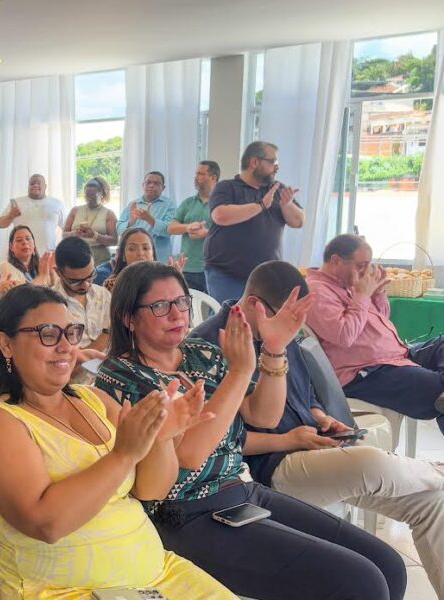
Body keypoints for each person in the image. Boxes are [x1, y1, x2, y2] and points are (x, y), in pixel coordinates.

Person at [94, 261, 405, 600]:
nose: (177, 314)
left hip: (240, 491)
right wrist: (240, 373)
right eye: (160, 306)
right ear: (128, 317)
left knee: (388, 564)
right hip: (185, 513)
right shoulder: (121, 377)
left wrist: (274, 349)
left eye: (182, 302)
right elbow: (189, 456)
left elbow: (264, 414)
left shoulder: (201, 353)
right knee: (360, 583)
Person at [0, 284, 232, 598]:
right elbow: (46, 523)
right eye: (48, 333)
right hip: (65, 590)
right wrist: (123, 455)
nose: (65, 346)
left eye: (71, 332)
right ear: (6, 344)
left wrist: (161, 438)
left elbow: (152, 489)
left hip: (157, 576)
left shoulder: (93, 399)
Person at [193, 260, 444, 597]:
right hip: (272, 466)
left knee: (431, 501)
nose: (296, 328)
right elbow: (220, 440)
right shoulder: (210, 345)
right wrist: (288, 439)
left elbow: (305, 392)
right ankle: (434, 469)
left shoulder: (281, 330)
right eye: (290, 320)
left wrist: (321, 416)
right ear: (255, 304)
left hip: (313, 447)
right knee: (373, 464)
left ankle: (432, 478)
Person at [305, 234, 444, 434]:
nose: (367, 271)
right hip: (366, 371)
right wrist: (362, 295)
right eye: (361, 265)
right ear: (336, 261)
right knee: (435, 387)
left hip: (397, 357)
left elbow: (379, 320)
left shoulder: (350, 283)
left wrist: (377, 294)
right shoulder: (317, 292)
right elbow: (344, 335)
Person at [204, 141, 305, 303]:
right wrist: (261, 205)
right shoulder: (227, 187)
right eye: (272, 162)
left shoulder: (278, 189)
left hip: (266, 278)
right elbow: (220, 215)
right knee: (230, 322)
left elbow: (299, 221)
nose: (276, 167)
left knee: (262, 324)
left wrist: (287, 205)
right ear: (254, 162)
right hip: (227, 275)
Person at [52, 237, 110, 380]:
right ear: (58, 273)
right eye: (76, 281)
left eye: (90, 276)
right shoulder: (51, 306)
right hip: (76, 388)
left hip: (111, 379)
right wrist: (108, 333)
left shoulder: (103, 295)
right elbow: (66, 366)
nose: (85, 285)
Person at [167, 161, 218, 293]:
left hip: (213, 268)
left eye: (201, 174)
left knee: (214, 309)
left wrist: (207, 233)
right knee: (188, 309)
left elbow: (231, 233)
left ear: (213, 178)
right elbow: (171, 228)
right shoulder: (188, 203)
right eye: (196, 173)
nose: (196, 177)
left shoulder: (222, 203)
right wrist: (187, 227)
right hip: (187, 268)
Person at [117, 171, 176, 260]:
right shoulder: (133, 204)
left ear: (163, 188)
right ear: (143, 185)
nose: (151, 185)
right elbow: (119, 230)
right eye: (148, 182)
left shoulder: (169, 204)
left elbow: (169, 231)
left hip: (158, 258)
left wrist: (150, 219)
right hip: (133, 258)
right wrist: (131, 222)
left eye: (156, 183)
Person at [0, 174, 64, 252]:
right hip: (21, 253)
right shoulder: (17, 202)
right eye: (32, 183)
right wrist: (11, 215)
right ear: (28, 186)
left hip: (47, 253)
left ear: (45, 186)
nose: (35, 185)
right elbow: (1, 224)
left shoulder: (57, 204)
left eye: (39, 183)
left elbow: (67, 228)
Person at [63, 177, 117, 266]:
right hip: (75, 258)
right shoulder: (75, 210)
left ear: (102, 194)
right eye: (87, 195)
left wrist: (94, 235)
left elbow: (114, 241)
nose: (89, 199)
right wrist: (74, 234)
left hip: (99, 260)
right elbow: (63, 235)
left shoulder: (109, 214)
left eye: (93, 196)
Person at [0, 225, 55, 295]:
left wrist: (52, 272)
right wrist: (42, 276)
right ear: (11, 247)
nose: (25, 242)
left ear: (34, 245)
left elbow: (53, 289)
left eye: (28, 239)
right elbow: (24, 295)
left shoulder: (41, 266)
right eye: (19, 240)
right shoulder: (5, 266)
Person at [98, 227, 159, 292]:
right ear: (123, 255)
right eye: (132, 249)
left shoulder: (163, 281)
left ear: (153, 254)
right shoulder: (113, 285)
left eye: (145, 248)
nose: (140, 253)